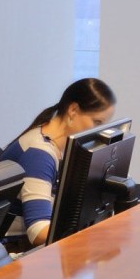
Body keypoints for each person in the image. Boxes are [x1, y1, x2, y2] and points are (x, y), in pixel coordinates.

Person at [9, 78, 116, 249]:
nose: (100, 131)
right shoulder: (39, 155)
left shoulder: (64, 145)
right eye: (96, 122)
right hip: (18, 248)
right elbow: (38, 232)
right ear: (73, 110)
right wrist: (89, 236)